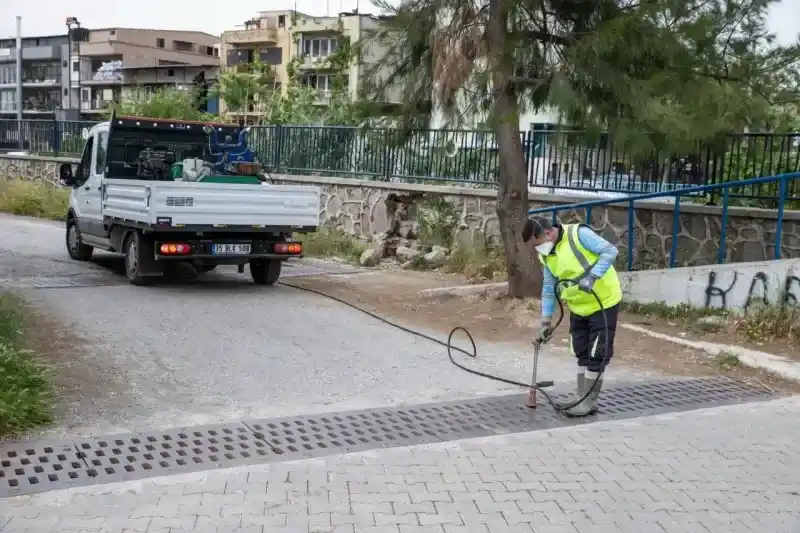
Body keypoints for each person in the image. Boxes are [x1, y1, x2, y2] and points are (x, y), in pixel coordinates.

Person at [521, 216, 622, 417]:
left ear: (549, 234)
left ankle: (589, 401)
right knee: (581, 350)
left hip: (603, 302)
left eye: (537, 245)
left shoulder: (579, 235)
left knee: (597, 352)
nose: (537, 250)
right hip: (578, 306)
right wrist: (545, 322)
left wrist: (593, 277)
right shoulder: (547, 255)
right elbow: (549, 287)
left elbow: (611, 251)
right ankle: (581, 396)